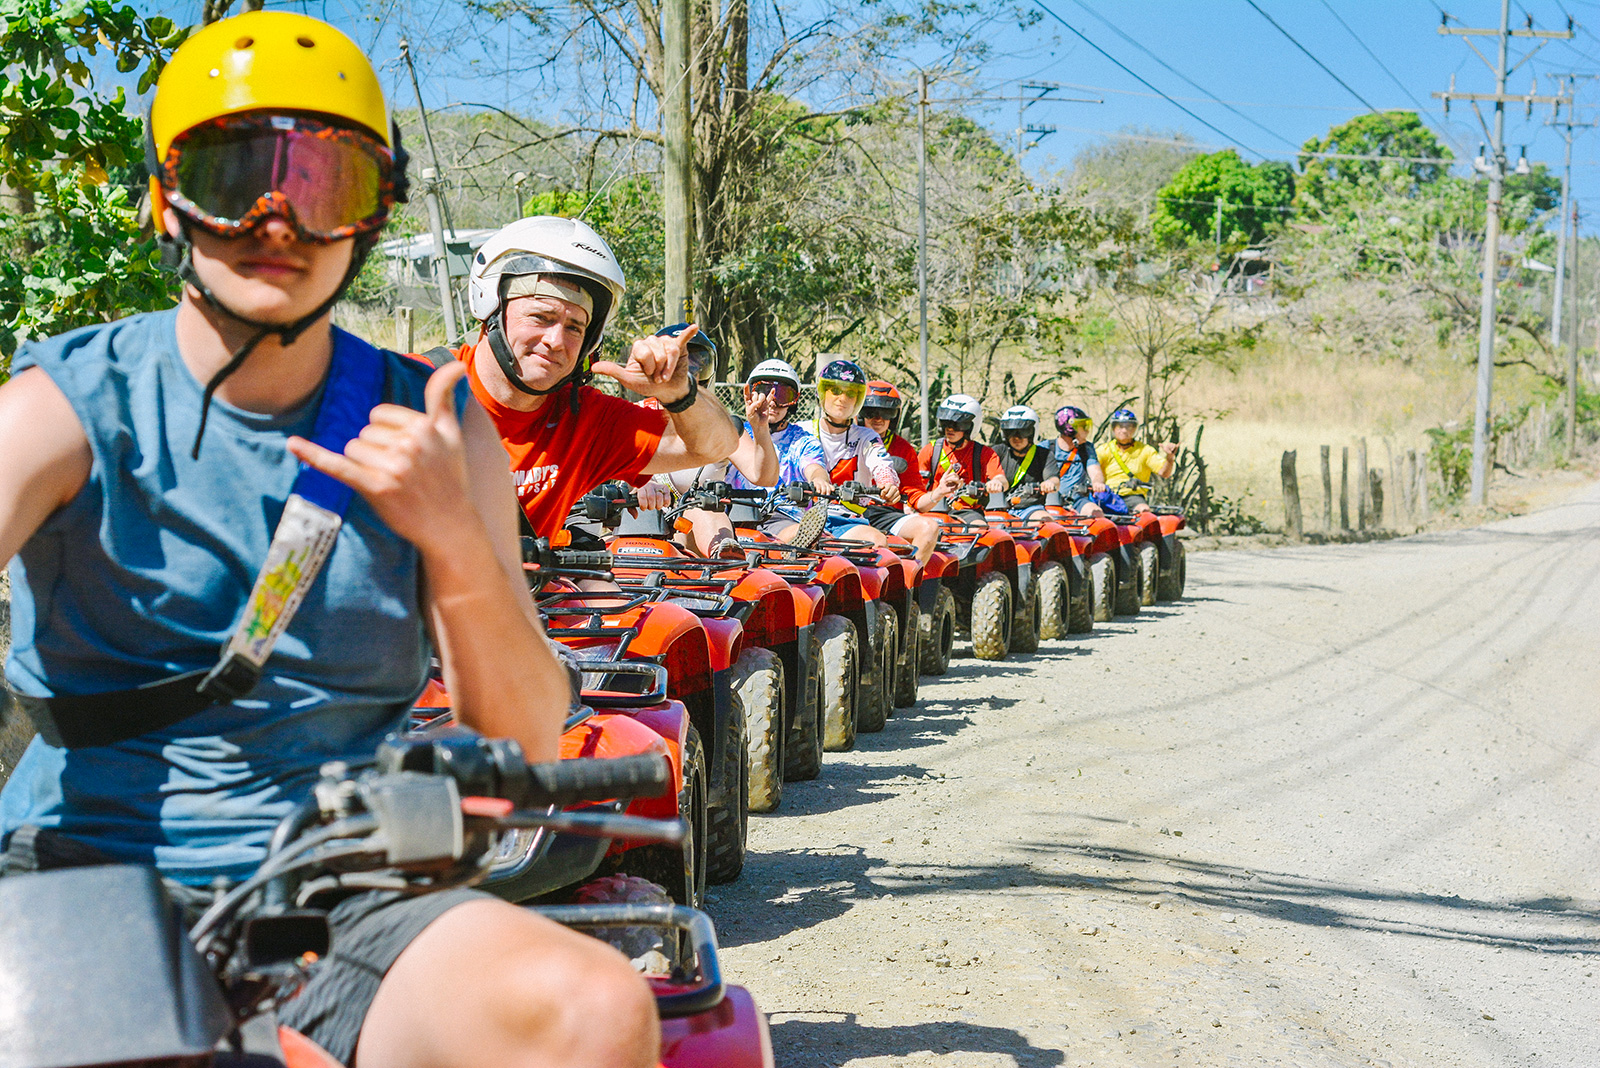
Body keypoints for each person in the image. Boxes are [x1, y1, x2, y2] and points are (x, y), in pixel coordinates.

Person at [0, 13, 657, 1068]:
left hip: (345, 879)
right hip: (89, 868)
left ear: (369, 221)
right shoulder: (62, 409)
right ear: (163, 200)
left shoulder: (439, 425)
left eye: (325, 185)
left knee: (591, 1009)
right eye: (234, 174)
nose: (278, 220)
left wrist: (452, 537)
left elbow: (529, 734)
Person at [454, 216, 738, 537]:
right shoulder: (411, 386)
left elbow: (717, 445)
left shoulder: (586, 421)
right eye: (540, 316)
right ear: (491, 308)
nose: (556, 341)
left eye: (575, 327)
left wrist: (679, 392)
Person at [643, 325, 780, 558]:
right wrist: (639, 484)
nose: (688, 372)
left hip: (696, 534)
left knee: (702, 509)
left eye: (697, 364)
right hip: (640, 531)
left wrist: (760, 429)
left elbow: (764, 477)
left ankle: (726, 560)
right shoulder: (634, 417)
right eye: (676, 363)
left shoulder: (723, 425)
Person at [803, 358, 940, 552]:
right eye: (835, 390)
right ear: (822, 392)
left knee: (875, 543)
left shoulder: (868, 437)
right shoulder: (800, 431)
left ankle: (909, 582)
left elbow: (881, 463)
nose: (841, 398)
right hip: (801, 514)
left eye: (850, 393)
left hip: (849, 517)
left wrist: (888, 483)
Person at [724, 359, 834, 543]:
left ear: (793, 402)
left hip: (781, 514)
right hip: (732, 512)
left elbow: (814, 467)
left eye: (782, 395)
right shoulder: (734, 431)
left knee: (794, 534)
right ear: (750, 394)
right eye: (763, 393)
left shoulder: (803, 441)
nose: (771, 402)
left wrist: (819, 480)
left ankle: (795, 546)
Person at [857, 381, 945, 562]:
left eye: (886, 413)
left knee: (929, 526)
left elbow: (915, 496)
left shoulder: (904, 449)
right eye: (871, 413)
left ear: (894, 417)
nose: (878, 419)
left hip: (885, 513)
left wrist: (939, 492)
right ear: (860, 413)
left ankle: (908, 585)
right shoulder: (845, 440)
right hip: (848, 510)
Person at [916, 394, 1004, 517]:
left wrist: (996, 483)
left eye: (957, 425)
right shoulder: (931, 450)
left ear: (970, 427)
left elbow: (1001, 479)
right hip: (933, 508)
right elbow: (916, 485)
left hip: (969, 511)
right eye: (946, 423)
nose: (950, 429)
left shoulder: (984, 453)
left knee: (979, 529)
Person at [1100, 407, 1179, 513]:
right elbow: (1091, 470)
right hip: (1108, 496)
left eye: (1128, 427)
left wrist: (1169, 458)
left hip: (1133, 496)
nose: (1124, 430)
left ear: (1134, 429)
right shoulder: (1103, 450)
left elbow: (1164, 473)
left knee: (1144, 510)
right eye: (1120, 426)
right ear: (1113, 428)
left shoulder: (1145, 450)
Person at [1045, 405, 1109, 517]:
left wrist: (1097, 482)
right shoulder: (1045, 448)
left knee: (1096, 513)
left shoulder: (1086, 448)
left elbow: (1095, 471)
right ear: (1070, 429)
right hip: (1048, 500)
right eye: (1083, 426)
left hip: (1076, 499)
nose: (1087, 430)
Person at [994, 405, 1052, 517]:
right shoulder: (997, 451)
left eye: (1023, 432)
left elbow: (1053, 477)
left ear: (1031, 434)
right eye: (1011, 433)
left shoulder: (1043, 454)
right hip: (997, 507)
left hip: (1030, 508)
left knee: (1044, 520)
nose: (1016, 438)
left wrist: (1049, 483)